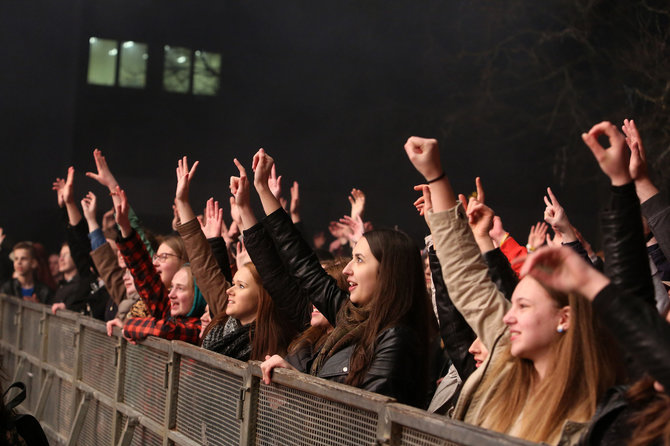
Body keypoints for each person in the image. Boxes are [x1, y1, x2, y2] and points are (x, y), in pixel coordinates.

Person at [405, 136, 621, 444]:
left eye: (524, 307)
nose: (508, 317)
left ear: (564, 317)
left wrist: (624, 186)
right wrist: (435, 177)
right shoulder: (507, 361)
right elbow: (466, 281)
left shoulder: (591, 418)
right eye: (513, 305)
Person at [250, 149, 436, 408]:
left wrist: (298, 385)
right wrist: (263, 191)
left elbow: (364, 418)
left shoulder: (397, 338)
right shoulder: (350, 316)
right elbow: (302, 263)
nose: (347, 269)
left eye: (359, 260)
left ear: (389, 273)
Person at [173, 156, 296, 360]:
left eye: (241, 286)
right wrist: (182, 202)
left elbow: (273, 262)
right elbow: (204, 266)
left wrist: (253, 203)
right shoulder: (223, 318)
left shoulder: (279, 341)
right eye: (234, 283)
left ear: (264, 295)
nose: (229, 289)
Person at [107, 186, 204, 344]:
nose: (171, 294)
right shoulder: (169, 309)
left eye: (180, 288)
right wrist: (125, 228)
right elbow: (143, 274)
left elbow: (163, 329)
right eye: (172, 287)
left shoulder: (199, 328)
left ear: (198, 295)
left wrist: (129, 324)